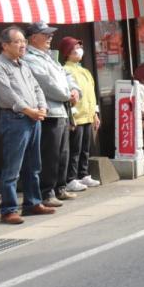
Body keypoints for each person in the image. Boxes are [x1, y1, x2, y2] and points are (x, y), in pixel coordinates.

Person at [0, 26, 53, 225]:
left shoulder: (23, 64)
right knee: (12, 168)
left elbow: (36, 87)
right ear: (4, 45)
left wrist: (41, 107)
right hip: (15, 119)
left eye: (24, 41)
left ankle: (33, 202)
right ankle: (8, 209)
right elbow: (7, 94)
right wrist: (28, 110)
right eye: (18, 41)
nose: (23, 44)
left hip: (34, 118)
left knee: (34, 165)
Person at [22, 22, 79, 206]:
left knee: (62, 152)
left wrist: (75, 90)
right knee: (50, 154)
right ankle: (47, 192)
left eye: (50, 34)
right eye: (45, 34)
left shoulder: (49, 56)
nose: (50, 37)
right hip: (49, 111)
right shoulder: (30, 58)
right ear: (33, 38)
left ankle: (59, 187)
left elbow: (66, 75)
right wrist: (67, 95)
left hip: (61, 109)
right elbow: (45, 83)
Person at [59, 37, 100, 192]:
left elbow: (91, 94)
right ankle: (71, 178)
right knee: (74, 149)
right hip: (77, 117)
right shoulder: (66, 70)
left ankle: (83, 174)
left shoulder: (85, 71)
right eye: (75, 48)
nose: (79, 50)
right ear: (68, 52)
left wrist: (95, 113)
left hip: (88, 116)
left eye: (79, 47)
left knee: (85, 148)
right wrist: (72, 116)